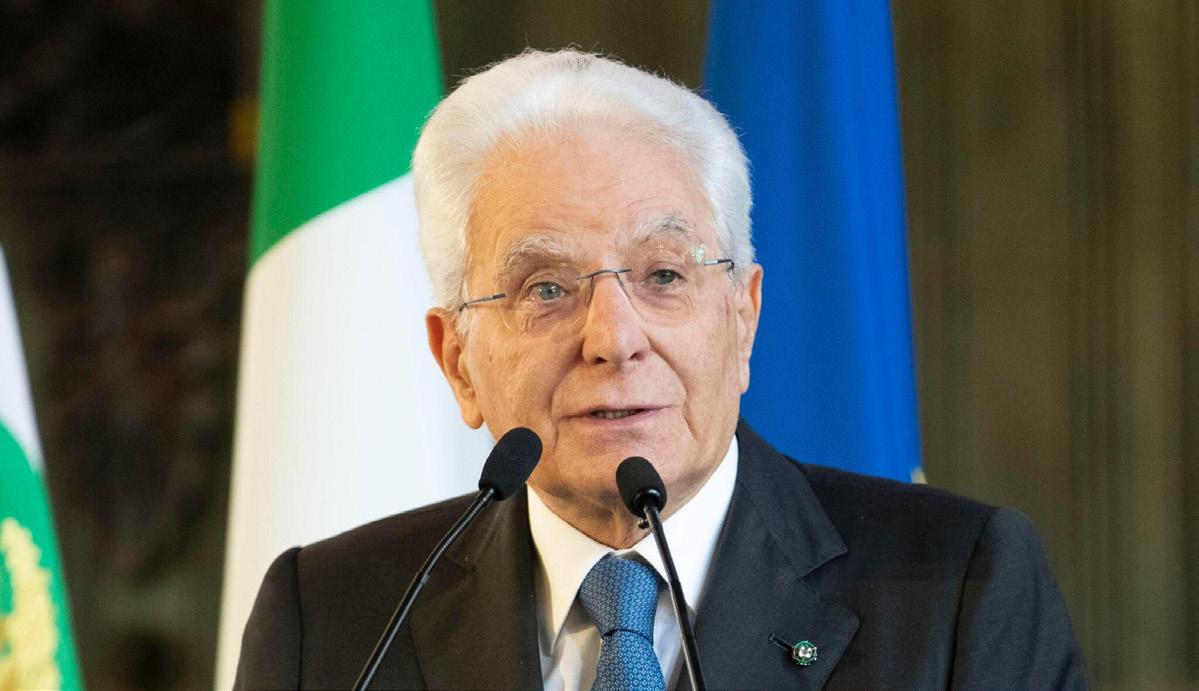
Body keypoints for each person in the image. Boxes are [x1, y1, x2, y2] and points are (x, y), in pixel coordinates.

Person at [234, 49, 1086, 690]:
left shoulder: (957, 588)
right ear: (456, 359)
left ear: (742, 317)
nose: (614, 338)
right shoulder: (331, 615)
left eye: (664, 275)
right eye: (547, 287)